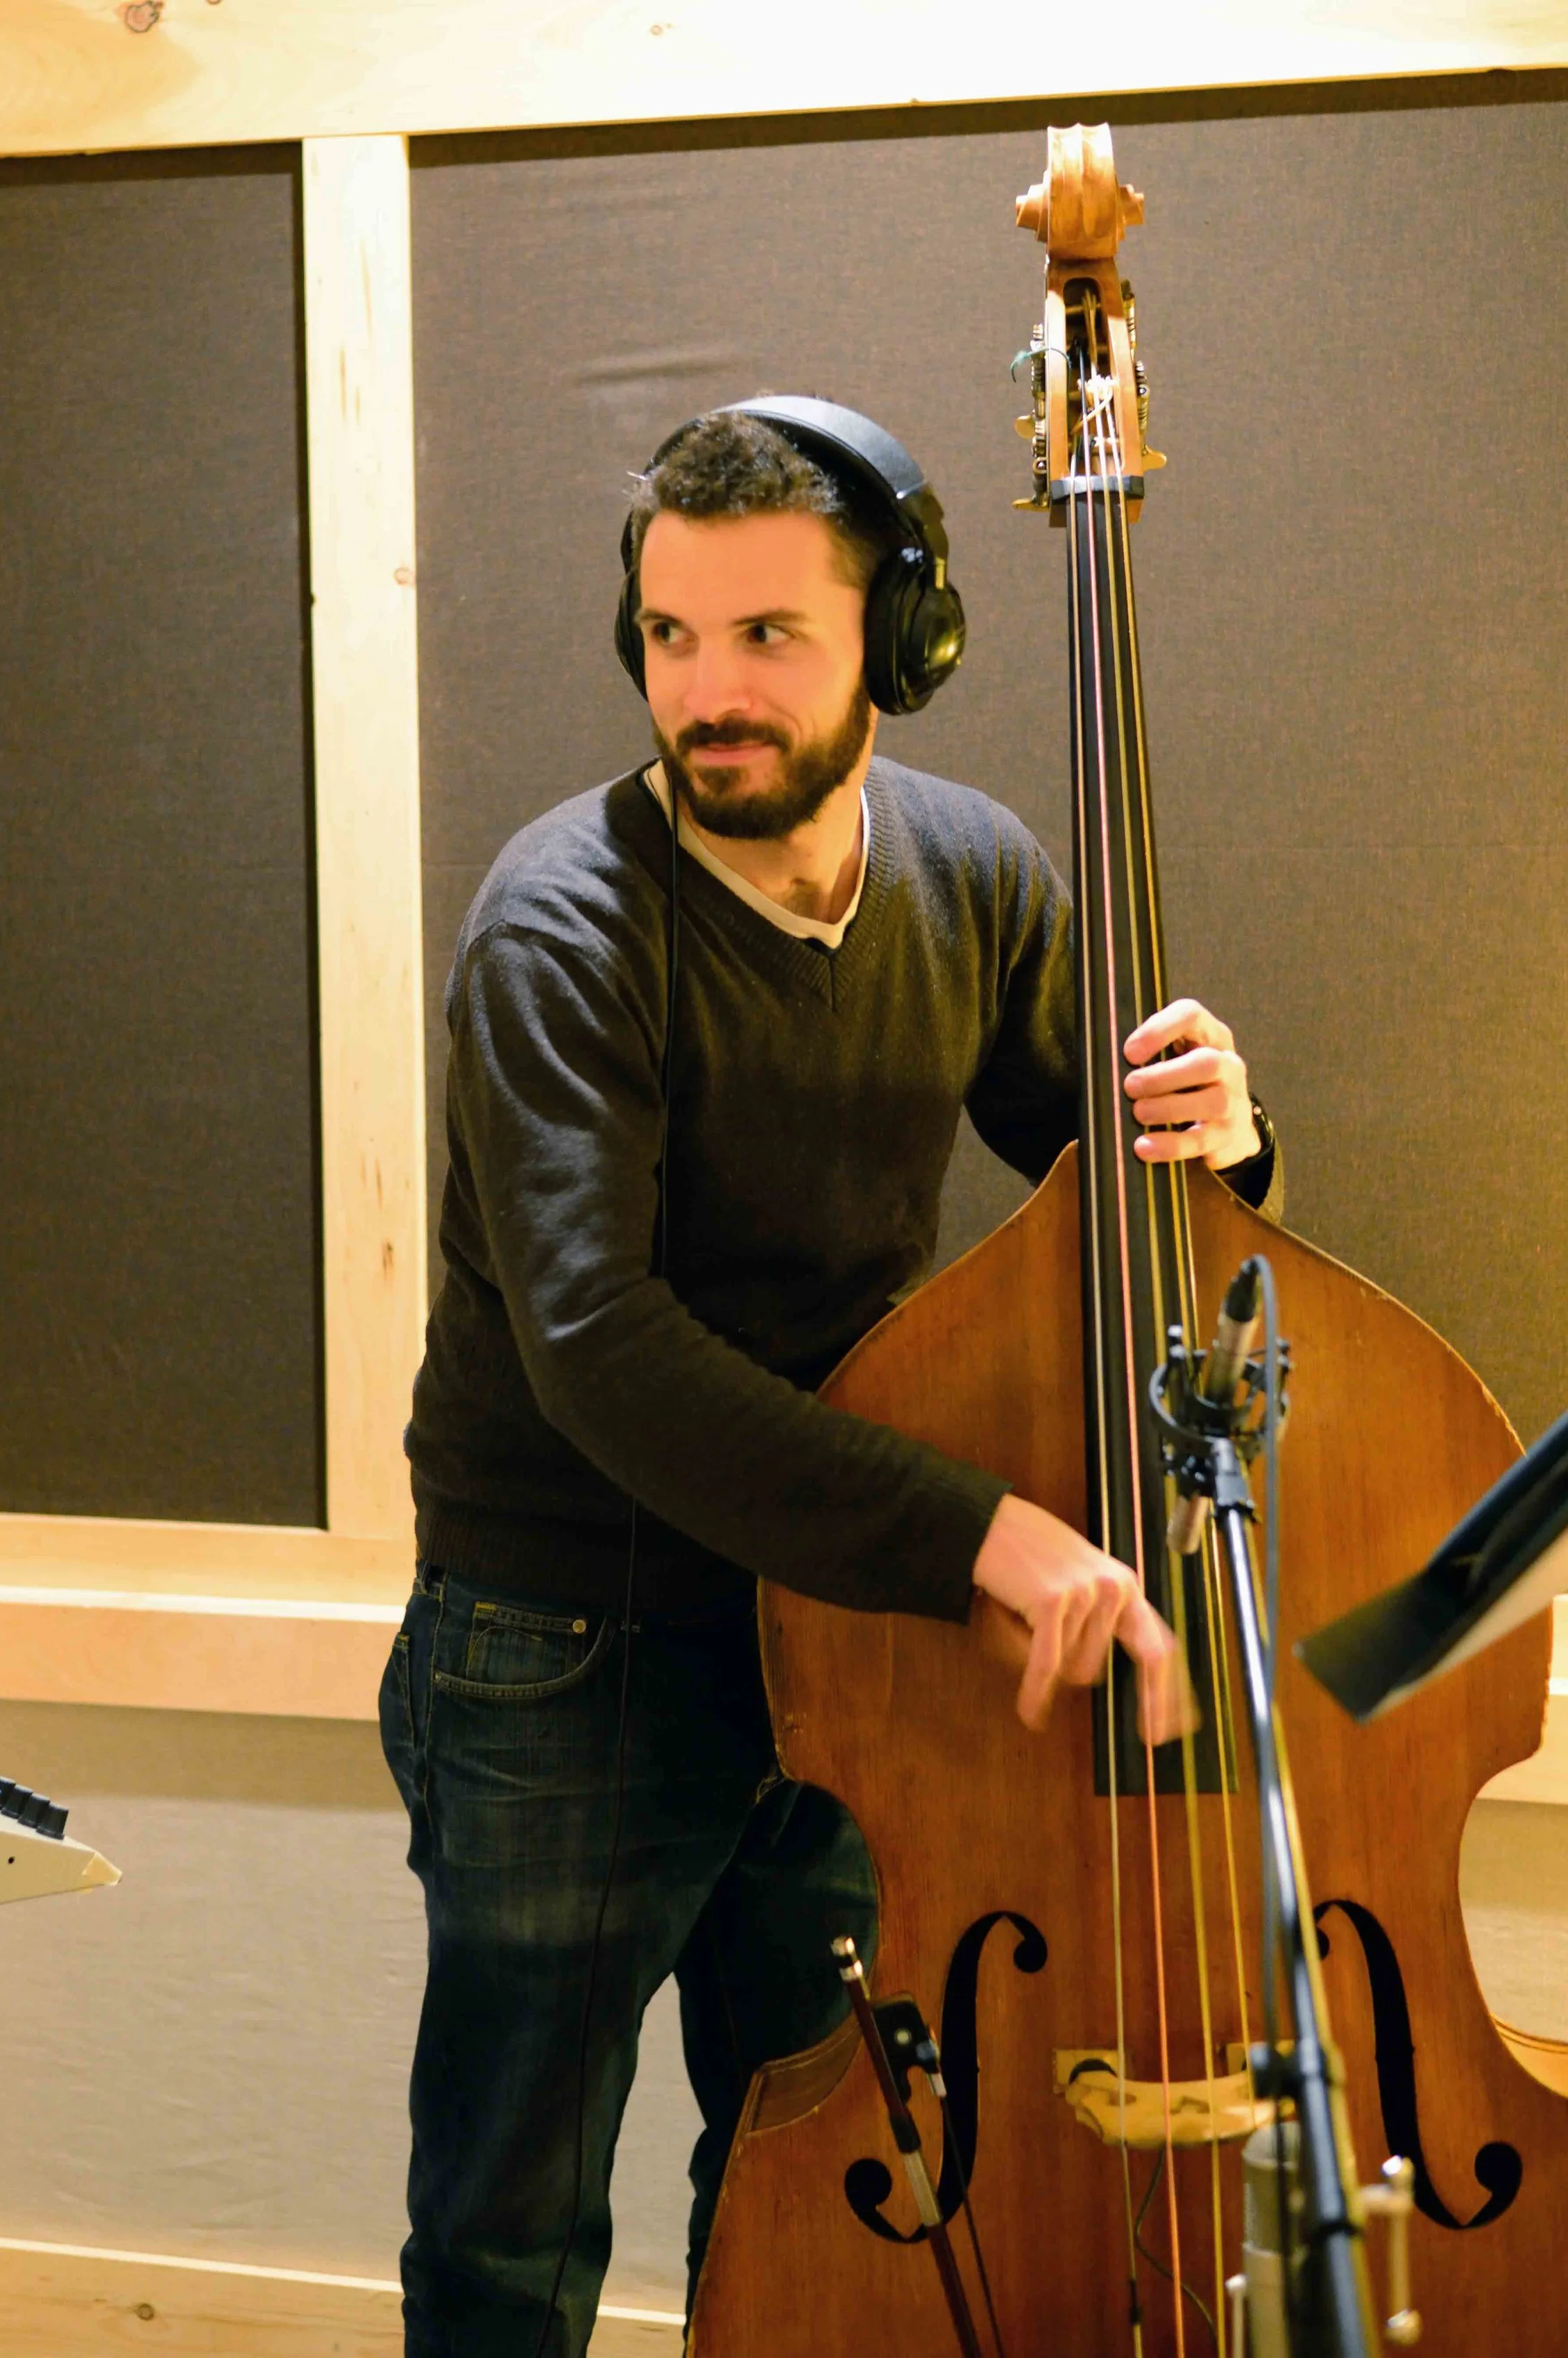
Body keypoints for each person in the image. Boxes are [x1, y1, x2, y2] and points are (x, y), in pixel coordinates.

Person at [378, 400, 1279, 2358]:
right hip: (568, 1631)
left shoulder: (973, 869)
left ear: (899, 640)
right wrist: (988, 1541)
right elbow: (601, 1350)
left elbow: (1102, 1190)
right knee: (507, 2220)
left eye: (768, 636)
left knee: (813, 2180)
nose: (708, 692)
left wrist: (1224, 1141)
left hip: (844, 1630)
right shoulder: (562, 927)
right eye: (670, 635)